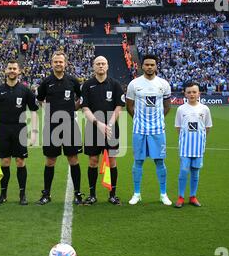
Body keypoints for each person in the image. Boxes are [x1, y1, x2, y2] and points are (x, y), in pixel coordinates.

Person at [0, 60, 39, 206]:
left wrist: (34, 131)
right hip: (3, 128)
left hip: (20, 128)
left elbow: (34, 111)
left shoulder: (25, 90)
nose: (12, 70)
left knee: (20, 161)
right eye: (9, 68)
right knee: (5, 161)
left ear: (19, 71)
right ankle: (3, 195)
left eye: (14, 68)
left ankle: (22, 195)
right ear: (5, 71)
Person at [36, 51, 83, 205]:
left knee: (73, 159)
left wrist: (74, 109)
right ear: (51, 63)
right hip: (52, 126)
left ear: (65, 63)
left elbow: (81, 98)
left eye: (60, 62)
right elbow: (40, 100)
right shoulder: (46, 82)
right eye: (55, 62)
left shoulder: (72, 81)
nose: (58, 64)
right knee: (50, 161)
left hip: (69, 124)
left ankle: (77, 193)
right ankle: (46, 194)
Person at [126, 54, 173, 206]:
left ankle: (163, 194)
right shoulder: (134, 84)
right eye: (147, 64)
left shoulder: (163, 84)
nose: (149, 67)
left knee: (160, 161)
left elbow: (167, 106)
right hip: (139, 129)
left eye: (152, 65)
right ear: (142, 66)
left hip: (158, 130)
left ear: (156, 66)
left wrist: (158, 120)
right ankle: (137, 193)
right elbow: (129, 106)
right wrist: (138, 120)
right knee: (138, 161)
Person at [80, 56, 125, 205]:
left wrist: (110, 123)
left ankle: (112, 194)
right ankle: (92, 195)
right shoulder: (87, 85)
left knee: (112, 161)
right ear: (93, 66)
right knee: (93, 161)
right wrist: (98, 123)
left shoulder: (115, 85)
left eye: (103, 63)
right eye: (98, 64)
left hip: (111, 129)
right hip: (93, 128)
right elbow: (85, 108)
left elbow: (119, 106)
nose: (100, 66)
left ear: (107, 66)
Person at [174, 82, 212, 208]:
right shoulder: (181, 109)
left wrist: (200, 139)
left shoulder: (204, 109)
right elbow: (178, 127)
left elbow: (207, 127)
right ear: (185, 93)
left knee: (195, 171)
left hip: (198, 146)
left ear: (199, 93)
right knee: (183, 170)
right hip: (185, 146)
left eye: (194, 92)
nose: (192, 94)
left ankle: (193, 196)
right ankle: (180, 197)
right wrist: (185, 139)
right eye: (189, 92)